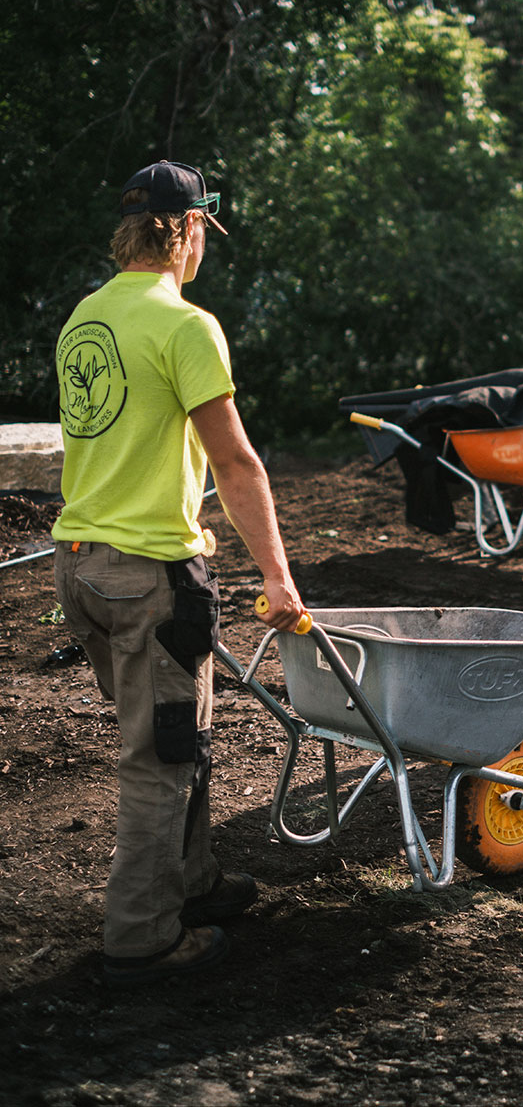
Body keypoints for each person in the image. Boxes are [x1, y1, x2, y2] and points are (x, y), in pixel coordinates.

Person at [52, 160, 307, 986]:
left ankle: (190, 882)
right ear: (186, 231)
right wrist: (277, 576)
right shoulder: (184, 324)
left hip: (82, 569)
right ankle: (141, 938)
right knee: (160, 758)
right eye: (204, 235)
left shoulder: (84, 319)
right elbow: (235, 463)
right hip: (151, 574)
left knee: (174, 737)